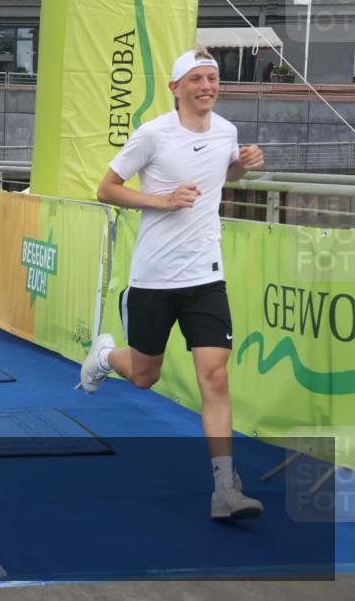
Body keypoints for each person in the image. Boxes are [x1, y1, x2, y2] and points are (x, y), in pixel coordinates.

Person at [79, 48, 266, 520]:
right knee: (145, 376)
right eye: (197, 79)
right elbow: (106, 188)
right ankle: (105, 356)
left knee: (215, 376)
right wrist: (164, 200)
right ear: (175, 88)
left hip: (205, 274)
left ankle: (225, 488)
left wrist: (242, 165)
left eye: (213, 79)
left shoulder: (227, 131)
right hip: (154, 278)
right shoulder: (153, 134)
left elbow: (221, 174)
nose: (207, 87)